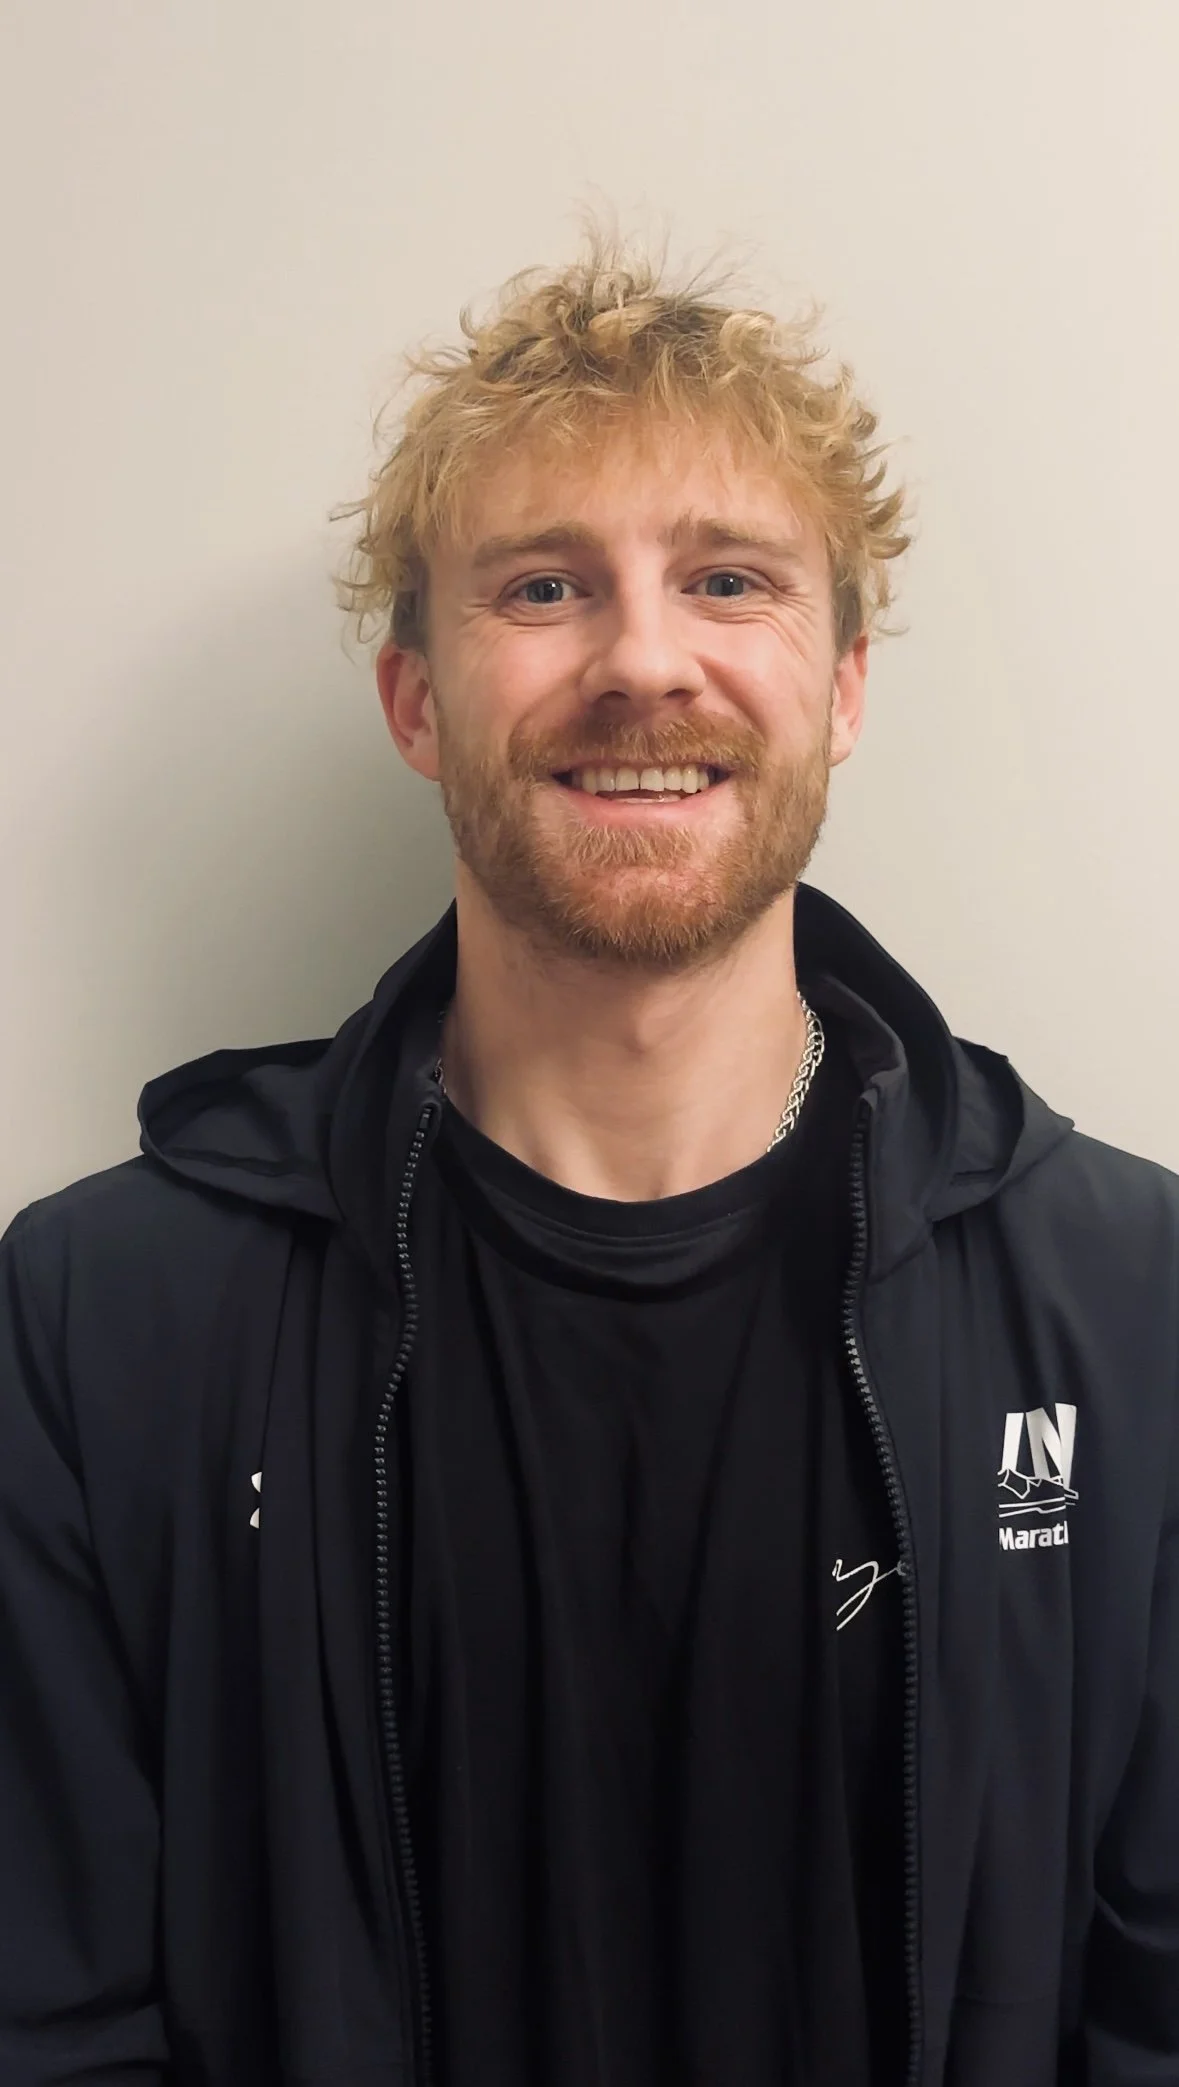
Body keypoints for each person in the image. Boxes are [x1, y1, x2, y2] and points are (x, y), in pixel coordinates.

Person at [1, 226, 1176, 2087]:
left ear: (842, 688)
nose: (642, 660)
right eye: (544, 586)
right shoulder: (98, 1321)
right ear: (416, 701)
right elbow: (50, 2025)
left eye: (728, 580)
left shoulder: (1128, 1303)